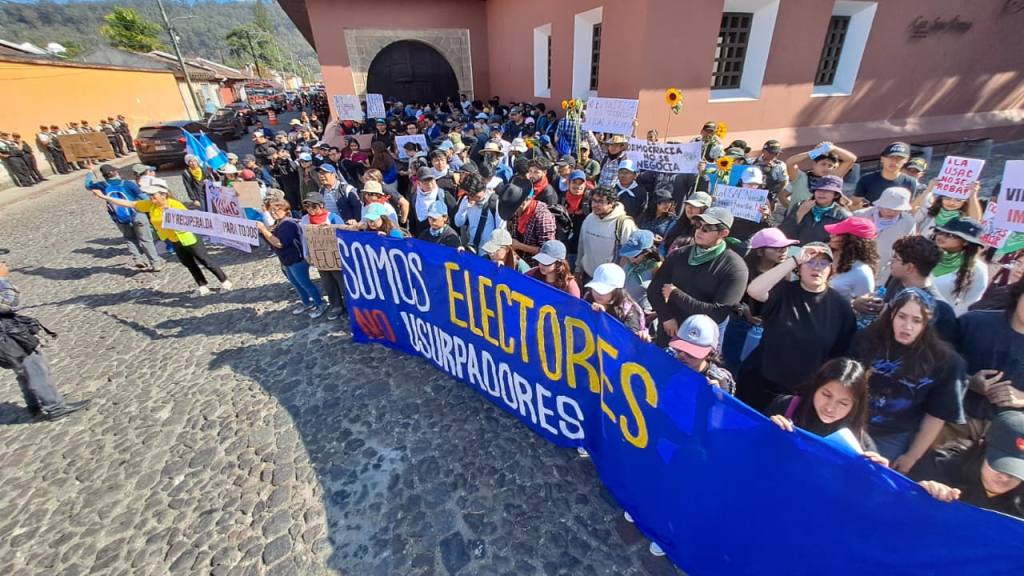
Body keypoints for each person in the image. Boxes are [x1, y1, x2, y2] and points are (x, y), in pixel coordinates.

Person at [851, 287, 968, 468]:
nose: (907, 326)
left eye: (916, 320)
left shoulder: (945, 362)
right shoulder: (866, 340)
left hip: (893, 437)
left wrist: (912, 456)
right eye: (902, 317)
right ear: (891, 315)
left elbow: (936, 415)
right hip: (852, 424)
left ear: (927, 323)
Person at [739, 243, 856, 410]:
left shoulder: (841, 308)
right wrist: (794, 259)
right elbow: (754, 290)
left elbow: (842, 357)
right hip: (758, 383)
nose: (816, 267)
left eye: (823, 263)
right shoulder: (783, 292)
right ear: (799, 268)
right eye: (810, 261)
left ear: (831, 269)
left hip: (799, 396)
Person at [91, 183, 231, 296]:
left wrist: (170, 211)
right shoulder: (150, 205)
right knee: (188, 263)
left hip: (188, 237)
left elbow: (189, 219)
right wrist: (105, 197)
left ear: (163, 195)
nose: (151, 198)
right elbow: (130, 204)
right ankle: (202, 285)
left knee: (205, 260)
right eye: (150, 195)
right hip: (173, 239)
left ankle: (224, 281)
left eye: (154, 195)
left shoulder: (174, 204)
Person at [0, 262, 90, 420]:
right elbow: (9, 303)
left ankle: (35, 404)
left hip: (5, 334)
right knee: (34, 366)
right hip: (7, 333)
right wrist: (2, 279)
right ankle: (55, 407)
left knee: (21, 368)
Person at [648, 207, 749, 345]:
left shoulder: (735, 268)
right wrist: (666, 317)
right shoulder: (679, 254)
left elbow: (718, 313)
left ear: (723, 233)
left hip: (700, 341)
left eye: (707, 229)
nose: (699, 231)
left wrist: (676, 294)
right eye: (698, 226)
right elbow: (654, 289)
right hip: (669, 330)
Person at [764, 358, 887, 461]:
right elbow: (751, 444)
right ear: (815, 387)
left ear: (855, 406)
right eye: (826, 395)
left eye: (843, 403)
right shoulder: (785, 407)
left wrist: (880, 475)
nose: (830, 408)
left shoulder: (860, 442)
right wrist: (765, 428)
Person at [913, 410, 1024, 519]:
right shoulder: (939, 466)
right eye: (999, 465)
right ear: (981, 448)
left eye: (1017, 471)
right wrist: (921, 491)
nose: (1004, 477)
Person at [721, 227, 797, 373]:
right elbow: (731, 297)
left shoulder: (784, 270)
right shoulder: (743, 269)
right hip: (739, 324)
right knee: (732, 364)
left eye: (785, 247)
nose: (783, 251)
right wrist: (745, 311)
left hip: (767, 327)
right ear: (760, 251)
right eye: (776, 248)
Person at [856, 235, 958, 343]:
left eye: (896, 258)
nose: (891, 261)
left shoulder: (940, 308)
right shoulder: (897, 281)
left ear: (909, 267)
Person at [955, 280, 1024, 434]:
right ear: (1019, 293)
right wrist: (968, 381)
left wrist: (1021, 398)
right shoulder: (974, 322)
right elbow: (932, 364)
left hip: (1008, 440)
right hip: (953, 423)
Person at [86, 164, 165, 272]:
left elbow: (87, 185)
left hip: (120, 218)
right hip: (137, 214)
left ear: (105, 176)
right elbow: (144, 197)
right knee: (146, 239)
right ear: (116, 172)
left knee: (130, 238)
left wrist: (90, 171)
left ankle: (138, 259)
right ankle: (156, 263)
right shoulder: (128, 184)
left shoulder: (102, 185)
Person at [255, 199, 326, 318]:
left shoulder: (288, 224)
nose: (274, 212)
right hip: (286, 259)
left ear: (286, 211)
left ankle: (320, 304)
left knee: (305, 283)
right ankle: (306, 302)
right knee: (296, 283)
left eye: (277, 210)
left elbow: (279, 243)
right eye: (272, 210)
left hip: (296, 259)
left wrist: (263, 230)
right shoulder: (279, 223)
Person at [300, 192, 349, 320]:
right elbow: (304, 239)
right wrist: (307, 254)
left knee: (342, 282)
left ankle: (350, 307)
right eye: (307, 206)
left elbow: (344, 234)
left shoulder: (333, 217)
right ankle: (336, 306)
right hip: (320, 257)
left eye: (313, 206)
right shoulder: (305, 220)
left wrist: (330, 229)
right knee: (328, 282)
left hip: (336, 257)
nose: (310, 210)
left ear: (321, 205)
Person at [574, 187, 637, 284]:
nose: (595, 205)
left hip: (609, 280)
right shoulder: (589, 219)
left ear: (611, 204)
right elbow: (581, 246)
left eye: (600, 202)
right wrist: (578, 269)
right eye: (594, 201)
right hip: (588, 275)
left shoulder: (624, 223)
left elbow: (629, 255)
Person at [854, 187, 916, 284]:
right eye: (888, 208)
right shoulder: (859, 215)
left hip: (882, 273)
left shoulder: (909, 223)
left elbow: (907, 249)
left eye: (897, 209)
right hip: (853, 266)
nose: (891, 212)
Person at [931, 216, 988, 315]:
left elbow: (971, 301)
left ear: (966, 242)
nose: (942, 237)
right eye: (941, 232)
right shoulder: (924, 254)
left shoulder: (978, 269)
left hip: (943, 318)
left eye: (951, 235)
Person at [667, 314, 735, 394]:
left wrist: (719, 399)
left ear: (709, 353)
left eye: (690, 353)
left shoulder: (718, 381)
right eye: (679, 349)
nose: (682, 355)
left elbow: (725, 405)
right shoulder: (668, 356)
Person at [781, 143, 856, 212]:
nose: (826, 168)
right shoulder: (800, 177)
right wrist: (817, 152)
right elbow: (790, 162)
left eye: (830, 166)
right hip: (798, 221)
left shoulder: (832, 179)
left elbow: (851, 159)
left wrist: (833, 148)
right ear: (814, 164)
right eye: (823, 164)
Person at [584, 263, 649, 341]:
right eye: (595, 289)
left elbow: (628, 341)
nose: (598, 294)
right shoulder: (589, 297)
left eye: (604, 291)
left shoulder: (630, 311)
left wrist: (604, 317)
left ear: (617, 291)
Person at [781, 174, 852, 245]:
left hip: (824, 253)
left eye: (827, 190)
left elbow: (843, 243)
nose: (821, 193)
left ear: (836, 195)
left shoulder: (843, 216)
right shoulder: (800, 206)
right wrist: (799, 214)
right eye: (818, 189)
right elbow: (783, 234)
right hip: (795, 252)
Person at [499, 179, 556, 259]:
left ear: (525, 201)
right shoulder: (515, 214)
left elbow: (548, 251)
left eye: (513, 208)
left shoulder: (543, 217)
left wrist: (520, 246)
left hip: (535, 265)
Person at [825, 216, 879, 300]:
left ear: (852, 241)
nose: (831, 235)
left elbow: (863, 308)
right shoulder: (826, 255)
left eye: (838, 233)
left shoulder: (862, 273)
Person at [852, 142, 917, 208]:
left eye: (899, 158)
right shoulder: (866, 179)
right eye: (891, 157)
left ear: (906, 160)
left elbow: (908, 207)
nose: (894, 162)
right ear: (882, 158)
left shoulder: (910, 182)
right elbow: (854, 206)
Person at [455, 172, 504, 254]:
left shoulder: (495, 201)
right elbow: (458, 223)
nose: (473, 197)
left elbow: (501, 228)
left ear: (483, 189)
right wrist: (465, 207)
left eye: (476, 195)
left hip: (489, 251)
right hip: (472, 247)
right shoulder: (466, 200)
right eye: (470, 194)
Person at [913, 183, 983, 238]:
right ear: (941, 199)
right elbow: (911, 208)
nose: (951, 203)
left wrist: (973, 194)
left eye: (958, 200)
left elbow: (976, 219)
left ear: (964, 202)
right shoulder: (928, 212)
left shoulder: (963, 219)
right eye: (947, 198)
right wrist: (929, 189)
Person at [619, 230, 662, 316]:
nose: (630, 259)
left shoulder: (656, 267)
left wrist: (655, 313)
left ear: (646, 252)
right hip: (621, 307)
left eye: (635, 256)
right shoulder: (625, 259)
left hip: (641, 312)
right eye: (628, 254)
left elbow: (660, 293)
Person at [661, 191, 712, 256]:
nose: (690, 208)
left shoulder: (705, 232)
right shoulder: (675, 223)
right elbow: (663, 245)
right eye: (688, 205)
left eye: (694, 206)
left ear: (704, 209)